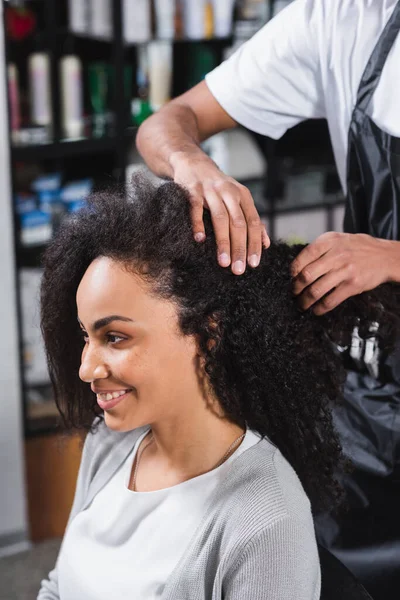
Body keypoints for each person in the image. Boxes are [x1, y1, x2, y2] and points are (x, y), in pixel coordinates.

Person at [136, 2, 400, 598]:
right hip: (375, 386)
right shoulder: (334, 20)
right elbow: (168, 120)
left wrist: (392, 257)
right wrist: (191, 164)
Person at [37, 177, 398, 599]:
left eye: (115, 338)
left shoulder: (266, 518)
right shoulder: (109, 446)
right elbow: (58, 588)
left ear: (208, 335)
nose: (85, 368)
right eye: (85, 336)